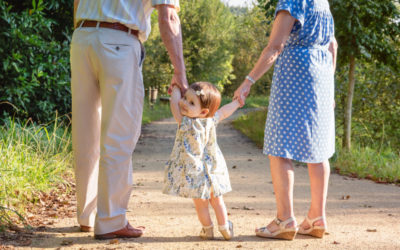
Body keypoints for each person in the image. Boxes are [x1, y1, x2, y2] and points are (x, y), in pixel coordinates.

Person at [71, 0, 188, 240]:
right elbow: (168, 18)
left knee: (85, 133)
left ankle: (87, 215)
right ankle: (111, 219)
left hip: (82, 37)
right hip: (119, 41)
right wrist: (180, 72)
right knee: (119, 134)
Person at [234, 0, 338, 240]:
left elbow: (276, 46)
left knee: (281, 146)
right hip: (322, 74)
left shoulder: (292, 0)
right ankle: (316, 217)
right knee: (319, 148)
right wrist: (329, 87)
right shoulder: (322, 2)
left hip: (295, 73)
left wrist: (248, 80)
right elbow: (332, 45)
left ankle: (285, 219)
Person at [163, 82, 240, 240]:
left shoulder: (185, 122)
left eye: (191, 103)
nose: (183, 103)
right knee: (217, 200)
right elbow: (224, 112)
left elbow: (173, 104)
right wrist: (237, 103)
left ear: (204, 111)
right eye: (185, 98)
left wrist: (177, 88)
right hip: (212, 169)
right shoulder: (211, 120)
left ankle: (207, 229)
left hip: (194, 171)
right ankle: (225, 227)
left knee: (201, 204)